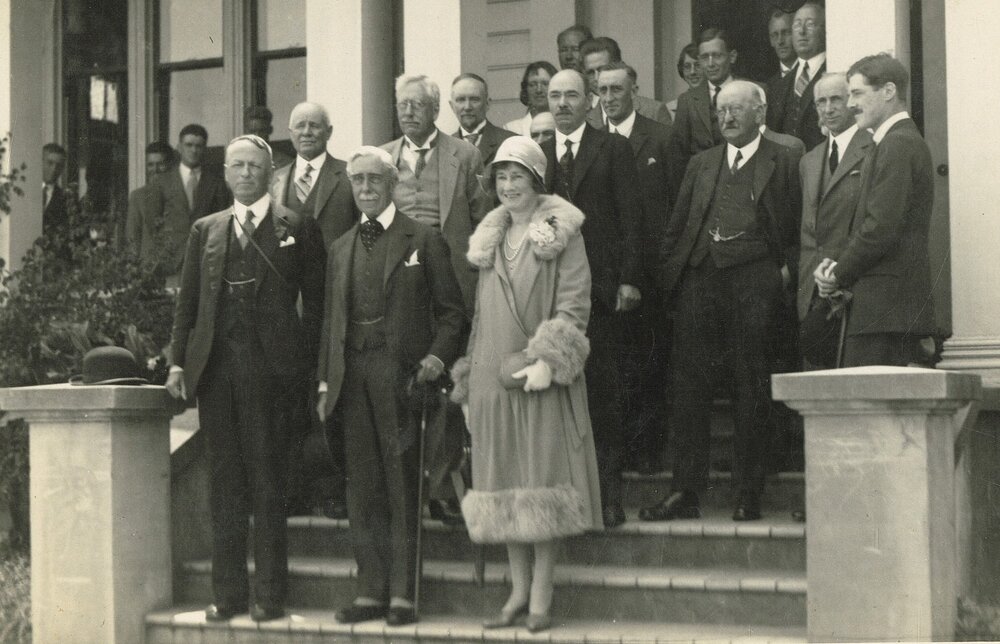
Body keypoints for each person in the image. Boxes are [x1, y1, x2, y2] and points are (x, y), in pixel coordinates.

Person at [165, 134, 326, 622]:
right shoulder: (206, 229)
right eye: (236, 166)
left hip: (274, 378)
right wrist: (177, 362)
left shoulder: (297, 226)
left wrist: (313, 374)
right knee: (224, 487)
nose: (245, 174)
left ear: (270, 171)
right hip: (218, 376)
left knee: (268, 485)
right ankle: (228, 595)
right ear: (227, 172)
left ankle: (270, 597)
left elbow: (318, 310)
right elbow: (187, 305)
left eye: (254, 166)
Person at [452, 136, 600, 634]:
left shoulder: (563, 233)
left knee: (539, 484)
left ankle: (542, 590)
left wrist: (549, 361)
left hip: (539, 378)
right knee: (504, 488)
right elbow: (479, 317)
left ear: (537, 181)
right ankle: (516, 589)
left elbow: (575, 303)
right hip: (493, 378)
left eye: (517, 175)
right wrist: (469, 383)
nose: (508, 185)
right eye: (500, 177)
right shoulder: (489, 240)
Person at [317, 146, 466, 627]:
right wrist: (325, 381)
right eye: (356, 181)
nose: (364, 188)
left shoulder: (422, 238)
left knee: (401, 482)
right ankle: (370, 592)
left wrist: (436, 359)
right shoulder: (339, 248)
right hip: (351, 377)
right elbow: (330, 323)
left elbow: (451, 314)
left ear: (392, 183)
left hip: (401, 378)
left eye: (373, 180)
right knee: (362, 486)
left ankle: (402, 594)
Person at [642, 80, 802, 523]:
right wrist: (670, 279)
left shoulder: (785, 159)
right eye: (721, 110)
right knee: (687, 390)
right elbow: (678, 225)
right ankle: (685, 492)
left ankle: (748, 492)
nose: (727, 117)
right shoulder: (701, 162)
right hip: (699, 280)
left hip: (755, 281)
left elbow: (796, 227)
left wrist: (783, 272)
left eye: (736, 109)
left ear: (760, 112)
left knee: (750, 385)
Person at [381, 73, 490, 524]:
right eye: (402, 105)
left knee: (445, 391)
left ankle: (444, 486)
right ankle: (407, 490)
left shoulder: (463, 155)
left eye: (417, 105)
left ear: (434, 109)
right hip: (399, 291)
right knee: (402, 388)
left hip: (449, 285)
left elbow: (485, 221)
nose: (408, 112)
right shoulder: (382, 158)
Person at [541, 69, 643, 528]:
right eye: (555, 96)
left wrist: (629, 279)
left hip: (601, 293)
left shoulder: (613, 148)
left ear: (589, 102)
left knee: (604, 399)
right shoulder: (539, 156)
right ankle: (568, 501)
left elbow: (632, 217)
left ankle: (609, 498)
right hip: (551, 295)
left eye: (572, 96)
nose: (563, 104)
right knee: (558, 401)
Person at [813, 54, 935, 367]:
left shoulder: (897, 144)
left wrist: (836, 274)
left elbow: (880, 229)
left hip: (886, 311)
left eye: (857, 93)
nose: (850, 104)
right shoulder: (893, 142)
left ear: (889, 91)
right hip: (886, 310)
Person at [269, 101, 359, 520]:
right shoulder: (275, 181)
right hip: (289, 312)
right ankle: (294, 488)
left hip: (337, 302)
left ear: (329, 131)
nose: (307, 132)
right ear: (290, 132)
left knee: (334, 398)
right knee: (290, 399)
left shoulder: (348, 177)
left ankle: (333, 489)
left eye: (315, 126)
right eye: (299, 125)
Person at [596, 61, 672, 474]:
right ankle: (619, 450)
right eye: (603, 91)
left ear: (634, 90)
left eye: (617, 90)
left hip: (653, 274)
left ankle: (647, 452)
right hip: (608, 275)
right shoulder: (593, 142)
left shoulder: (661, 138)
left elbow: (676, 206)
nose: (609, 98)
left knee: (649, 365)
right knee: (615, 367)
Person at [798, 72, 873, 369]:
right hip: (811, 291)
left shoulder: (873, 148)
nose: (828, 108)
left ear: (851, 101)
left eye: (836, 99)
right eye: (821, 102)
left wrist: (839, 272)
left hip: (853, 287)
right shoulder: (810, 160)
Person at [148, 124, 231, 283]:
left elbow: (223, 224)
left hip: (206, 261)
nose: (194, 150)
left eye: (199, 146)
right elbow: (153, 223)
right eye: (189, 145)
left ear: (205, 149)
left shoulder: (216, 183)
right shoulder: (162, 182)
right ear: (179, 147)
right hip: (172, 263)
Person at [666, 28, 737, 197]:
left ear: (732, 56)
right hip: (703, 195)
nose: (710, 64)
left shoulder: (754, 90)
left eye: (717, 56)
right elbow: (678, 159)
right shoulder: (688, 100)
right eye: (704, 57)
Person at [766, 2, 827, 151]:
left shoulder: (833, 73)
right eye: (797, 25)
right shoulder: (779, 84)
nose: (802, 31)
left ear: (825, 30)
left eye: (810, 24)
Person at [580, 37, 672, 127]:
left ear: (621, 66)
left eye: (603, 69)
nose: (597, 78)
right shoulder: (583, 119)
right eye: (590, 73)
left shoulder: (654, 112)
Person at [125, 140, 175, 265]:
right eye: (150, 165)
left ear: (171, 165)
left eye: (160, 164)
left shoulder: (182, 193)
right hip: (148, 268)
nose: (155, 169)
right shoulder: (138, 197)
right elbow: (132, 238)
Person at [449, 73, 516, 165]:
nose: (467, 107)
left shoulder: (510, 142)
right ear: (452, 106)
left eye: (474, 99)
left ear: (487, 104)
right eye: (461, 100)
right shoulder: (442, 148)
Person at [504, 61, 558, 136]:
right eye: (533, 84)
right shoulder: (511, 129)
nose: (539, 90)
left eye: (545, 84)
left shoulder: (564, 127)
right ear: (526, 90)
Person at [666, 43, 703, 122]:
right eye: (687, 66)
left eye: (698, 65)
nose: (692, 72)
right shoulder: (670, 110)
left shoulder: (720, 103)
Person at [41, 142, 68, 236]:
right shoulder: (26, 190)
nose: (53, 169)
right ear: (41, 161)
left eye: (58, 165)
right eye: (50, 163)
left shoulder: (65, 199)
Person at [766, 9, 797, 87]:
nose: (780, 41)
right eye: (775, 35)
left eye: (785, 33)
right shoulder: (769, 87)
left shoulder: (811, 75)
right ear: (771, 41)